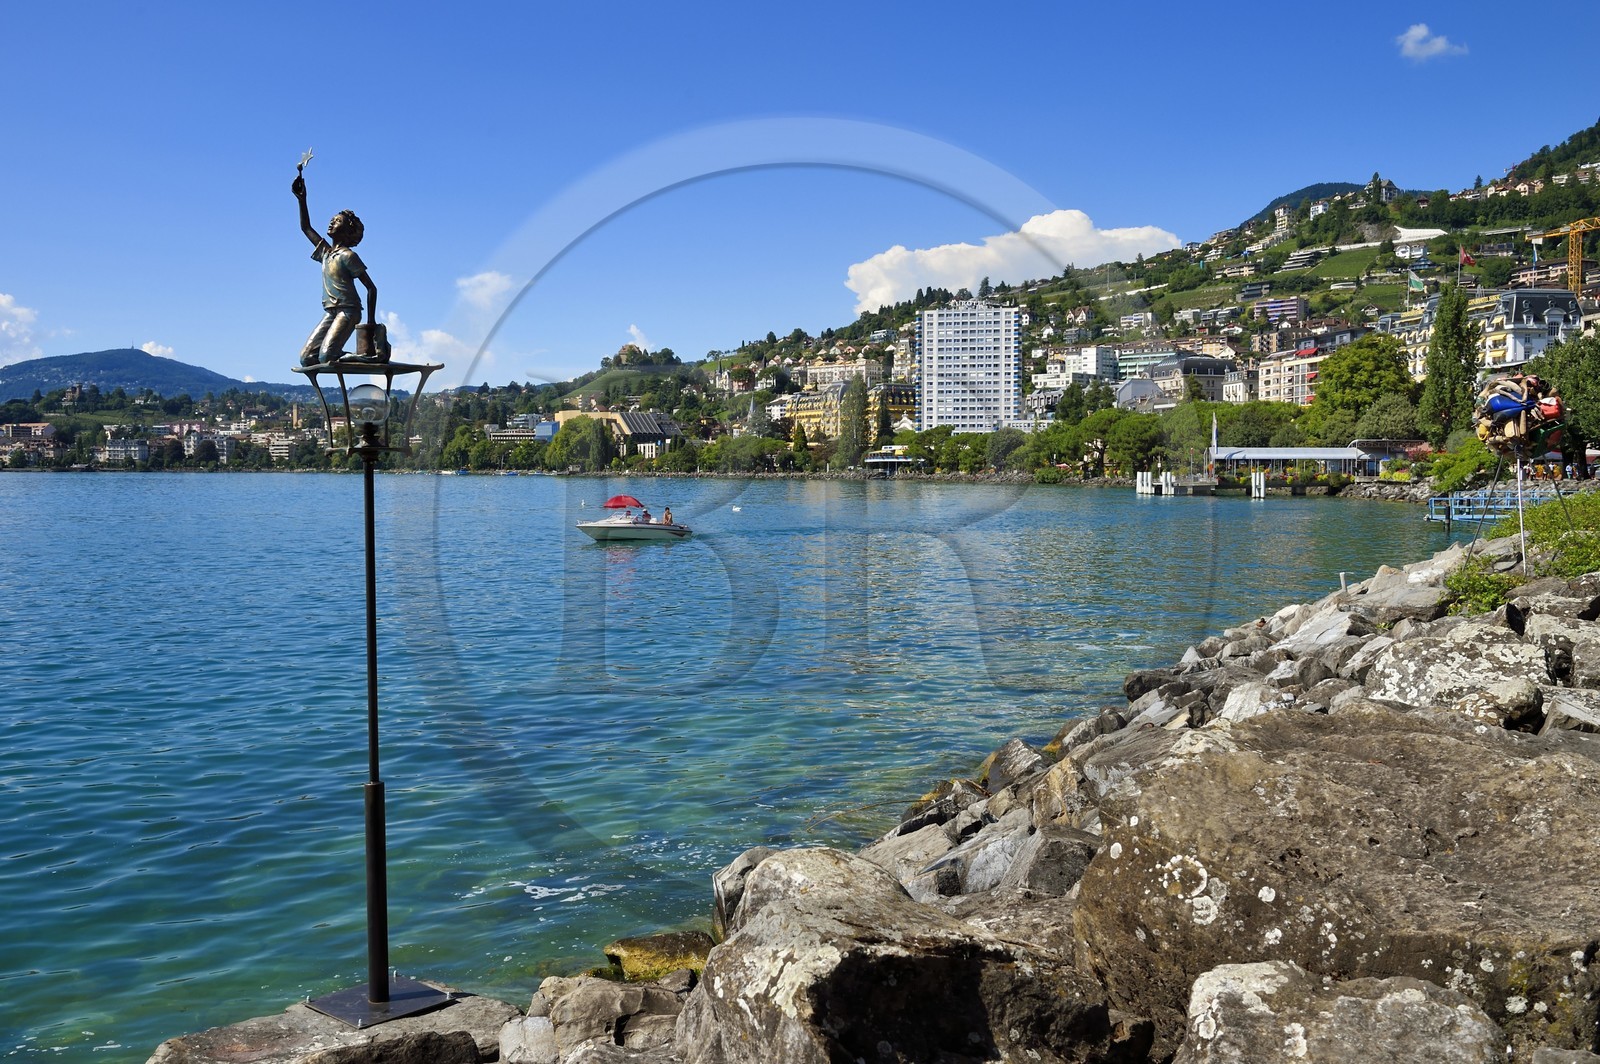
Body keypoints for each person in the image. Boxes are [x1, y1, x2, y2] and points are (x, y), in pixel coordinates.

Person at [293, 173, 376, 366]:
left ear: (347, 231)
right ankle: (344, 356)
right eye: (332, 219)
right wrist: (302, 200)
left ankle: (363, 358)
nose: (331, 222)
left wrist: (369, 324)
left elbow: (371, 288)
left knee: (327, 357)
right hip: (331, 311)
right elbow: (306, 227)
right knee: (307, 358)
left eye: (337, 221)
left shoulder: (348, 256)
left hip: (348, 311)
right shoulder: (326, 253)